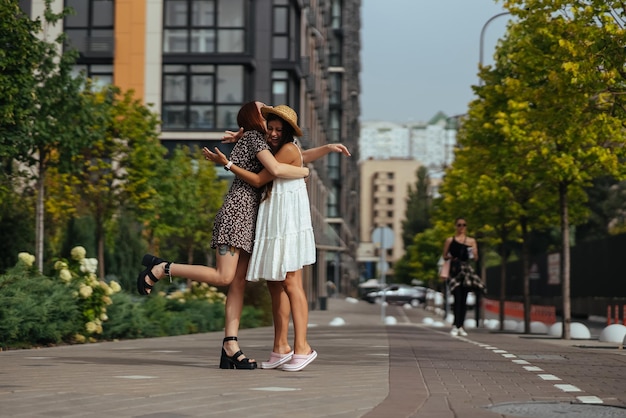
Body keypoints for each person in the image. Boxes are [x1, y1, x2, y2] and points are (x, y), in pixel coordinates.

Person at [136, 101, 309, 370]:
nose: (268, 117)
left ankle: (231, 346)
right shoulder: (254, 138)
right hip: (237, 214)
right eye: (264, 113)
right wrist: (305, 171)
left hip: (250, 219)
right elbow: (270, 173)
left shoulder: (255, 138)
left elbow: (284, 158)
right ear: (255, 120)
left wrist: (238, 137)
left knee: (237, 283)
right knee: (225, 276)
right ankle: (162, 268)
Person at [205, 105, 351, 371]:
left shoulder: (286, 148)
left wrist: (228, 163)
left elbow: (267, 174)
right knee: (275, 282)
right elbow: (299, 158)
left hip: (286, 218)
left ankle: (303, 347)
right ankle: (281, 347)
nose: (272, 133)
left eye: (277, 129)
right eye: (269, 127)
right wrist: (327, 148)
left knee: (290, 280)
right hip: (274, 215)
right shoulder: (276, 145)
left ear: (287, 132)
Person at [441, 217, 482, 337]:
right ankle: (455, 325)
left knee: (463, 300)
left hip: (466, 273)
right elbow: (444, 255)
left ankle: (461, 326)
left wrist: (474, 252)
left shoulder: (471, 241)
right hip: (455, 272)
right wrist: (452, 259)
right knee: (457, 298)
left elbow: (475, 258)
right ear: (455, 226)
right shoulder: (450, 240)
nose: (461, 227)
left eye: (464, 225)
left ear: (466, 227)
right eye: (459, 225)